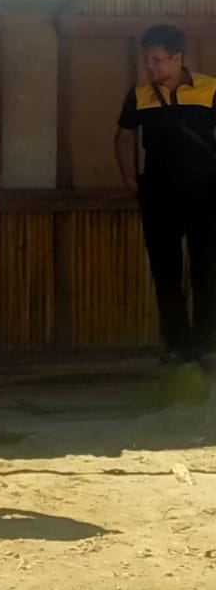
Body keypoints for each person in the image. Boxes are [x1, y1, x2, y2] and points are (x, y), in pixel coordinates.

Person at [114, 25, 216, 371]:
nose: (150, 67)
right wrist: (131, 180)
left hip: (207, 194)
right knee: (166, 273)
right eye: (146, 60)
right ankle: (176, 345)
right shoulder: (139, 95)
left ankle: (205, 345)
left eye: (156, 60)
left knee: (207, 270)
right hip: (159, 194)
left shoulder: (210, 89)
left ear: (177, 58)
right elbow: (124, 137)